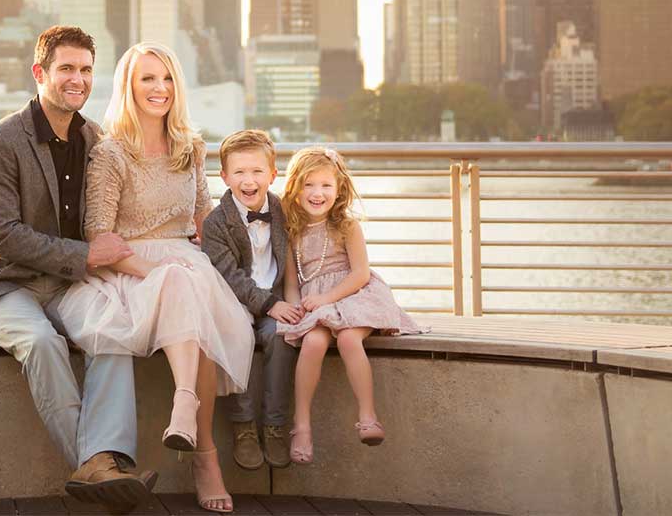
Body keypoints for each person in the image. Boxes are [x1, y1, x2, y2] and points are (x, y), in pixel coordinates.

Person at [0, 26, 157, 514]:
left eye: (86, 70)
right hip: (3, 284)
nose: (77, 79)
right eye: (66, 68)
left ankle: (100, 467)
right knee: (41, 341)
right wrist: (85, 256)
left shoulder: (97, 140)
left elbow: (122, 208)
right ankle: (96, 466)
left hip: (67, 285)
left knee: (114, 332)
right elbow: (4, 236)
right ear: (40, 73)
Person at [53, 42, 254, 514]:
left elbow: (204, 215)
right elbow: (98, 235)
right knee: (182, 284)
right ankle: (201, 445)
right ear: (129, 85)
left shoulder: (191, 147)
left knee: (195, 289)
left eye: (165, 79)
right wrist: (155, 270)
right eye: (147, 79)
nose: (158, 89)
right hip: (127, 269)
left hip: (186, 260)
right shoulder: (110, 153)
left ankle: (194, 432)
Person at [275, 146, 429, 464]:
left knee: (347, 338)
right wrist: (297, 309)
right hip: (316, 303)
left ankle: (368, 415)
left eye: (326, 185)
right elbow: (292, 282)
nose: (317, 193)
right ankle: (301, 425)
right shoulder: (291, 231)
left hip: (355, 296)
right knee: (314, 343)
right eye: (309, 185)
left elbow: (360, 274)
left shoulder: (347, 226)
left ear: (339, 188)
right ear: (294, 188)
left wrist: (326, 300)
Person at [200, 129, 302, 471]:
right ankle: (243, 426)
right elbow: (231, 277)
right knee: (235, 335)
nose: (249, 180)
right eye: (240, 172)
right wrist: (270, 304)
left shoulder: (285, 211)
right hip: (235, 302)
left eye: (257, 171)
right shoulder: (216, 223)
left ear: (272, 174)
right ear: (224, 176)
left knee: (281, 335)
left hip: (276, 300)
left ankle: (274, 424)